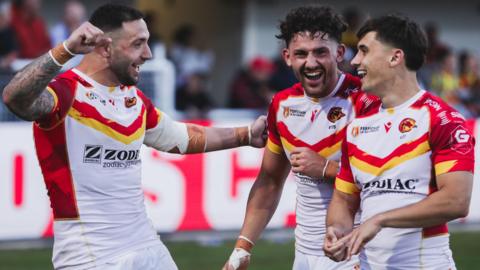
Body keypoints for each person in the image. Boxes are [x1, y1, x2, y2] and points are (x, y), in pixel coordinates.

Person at [2, 4, 267, 270]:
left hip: (147, 246)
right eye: (138, 44)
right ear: (105, 48)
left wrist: (245, 135)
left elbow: (181, 137)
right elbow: (14, 97)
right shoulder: (65, 92)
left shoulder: (134, 100)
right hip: (91, 257)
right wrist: (65, 50)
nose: (148, 54)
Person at [223, 6, 379, 270]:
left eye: (321, 52)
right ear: (287, 57)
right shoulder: (282, 104)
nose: (311, 62)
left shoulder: (367, 100)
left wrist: (327, 168)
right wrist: (242, 248)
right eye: (301, 54)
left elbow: (386, 182)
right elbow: (270, 181)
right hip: (305, 255)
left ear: (339, 53)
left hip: (356, 251)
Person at [324, 14, 474, 269]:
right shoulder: (356, 127)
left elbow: (456, 201)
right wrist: (337, 231)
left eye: (364, 50)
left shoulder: (443, 119)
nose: (356, 60)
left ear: (395, 57)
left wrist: (380, 220)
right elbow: (344, 198)